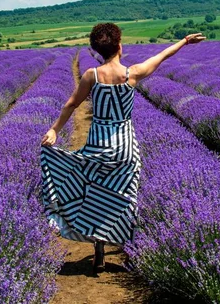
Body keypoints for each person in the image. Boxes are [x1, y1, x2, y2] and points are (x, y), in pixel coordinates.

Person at [40, 22, 205, 274]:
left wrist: (54, 130)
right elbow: (161, 56)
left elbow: (71, 105)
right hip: (125, 148)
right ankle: (130, 244)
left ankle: (99, 247)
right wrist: (184, 41)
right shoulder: (133, 73)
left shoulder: (91, 76)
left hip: (98, 145)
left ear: (95, 50)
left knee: (94, 192)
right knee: (124, 197)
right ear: (119, 46)